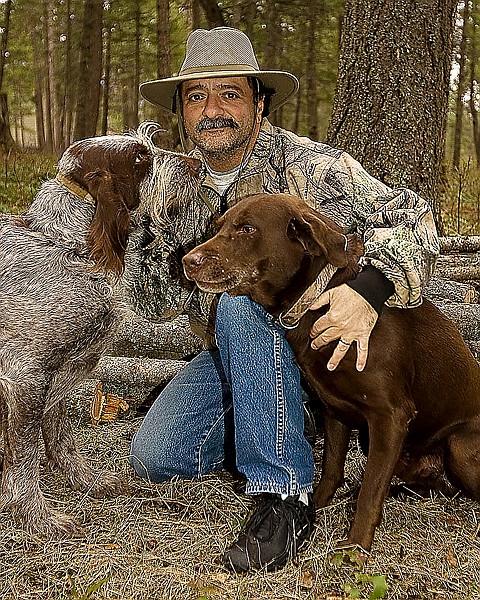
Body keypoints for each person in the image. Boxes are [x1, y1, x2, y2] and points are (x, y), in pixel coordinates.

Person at [130, 26, 439, 572]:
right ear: (181, 110)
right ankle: (281, 418)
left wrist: (368, 292)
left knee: (240, 301)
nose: (212, 110)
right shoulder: (171, 183)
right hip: (244, 358)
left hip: (322, 342)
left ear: (259, 100)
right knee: (158, 456)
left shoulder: (311, 167)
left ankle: (284, 494)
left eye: (230, 93)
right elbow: (151, 297)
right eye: (196, 96)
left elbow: (414, 216)